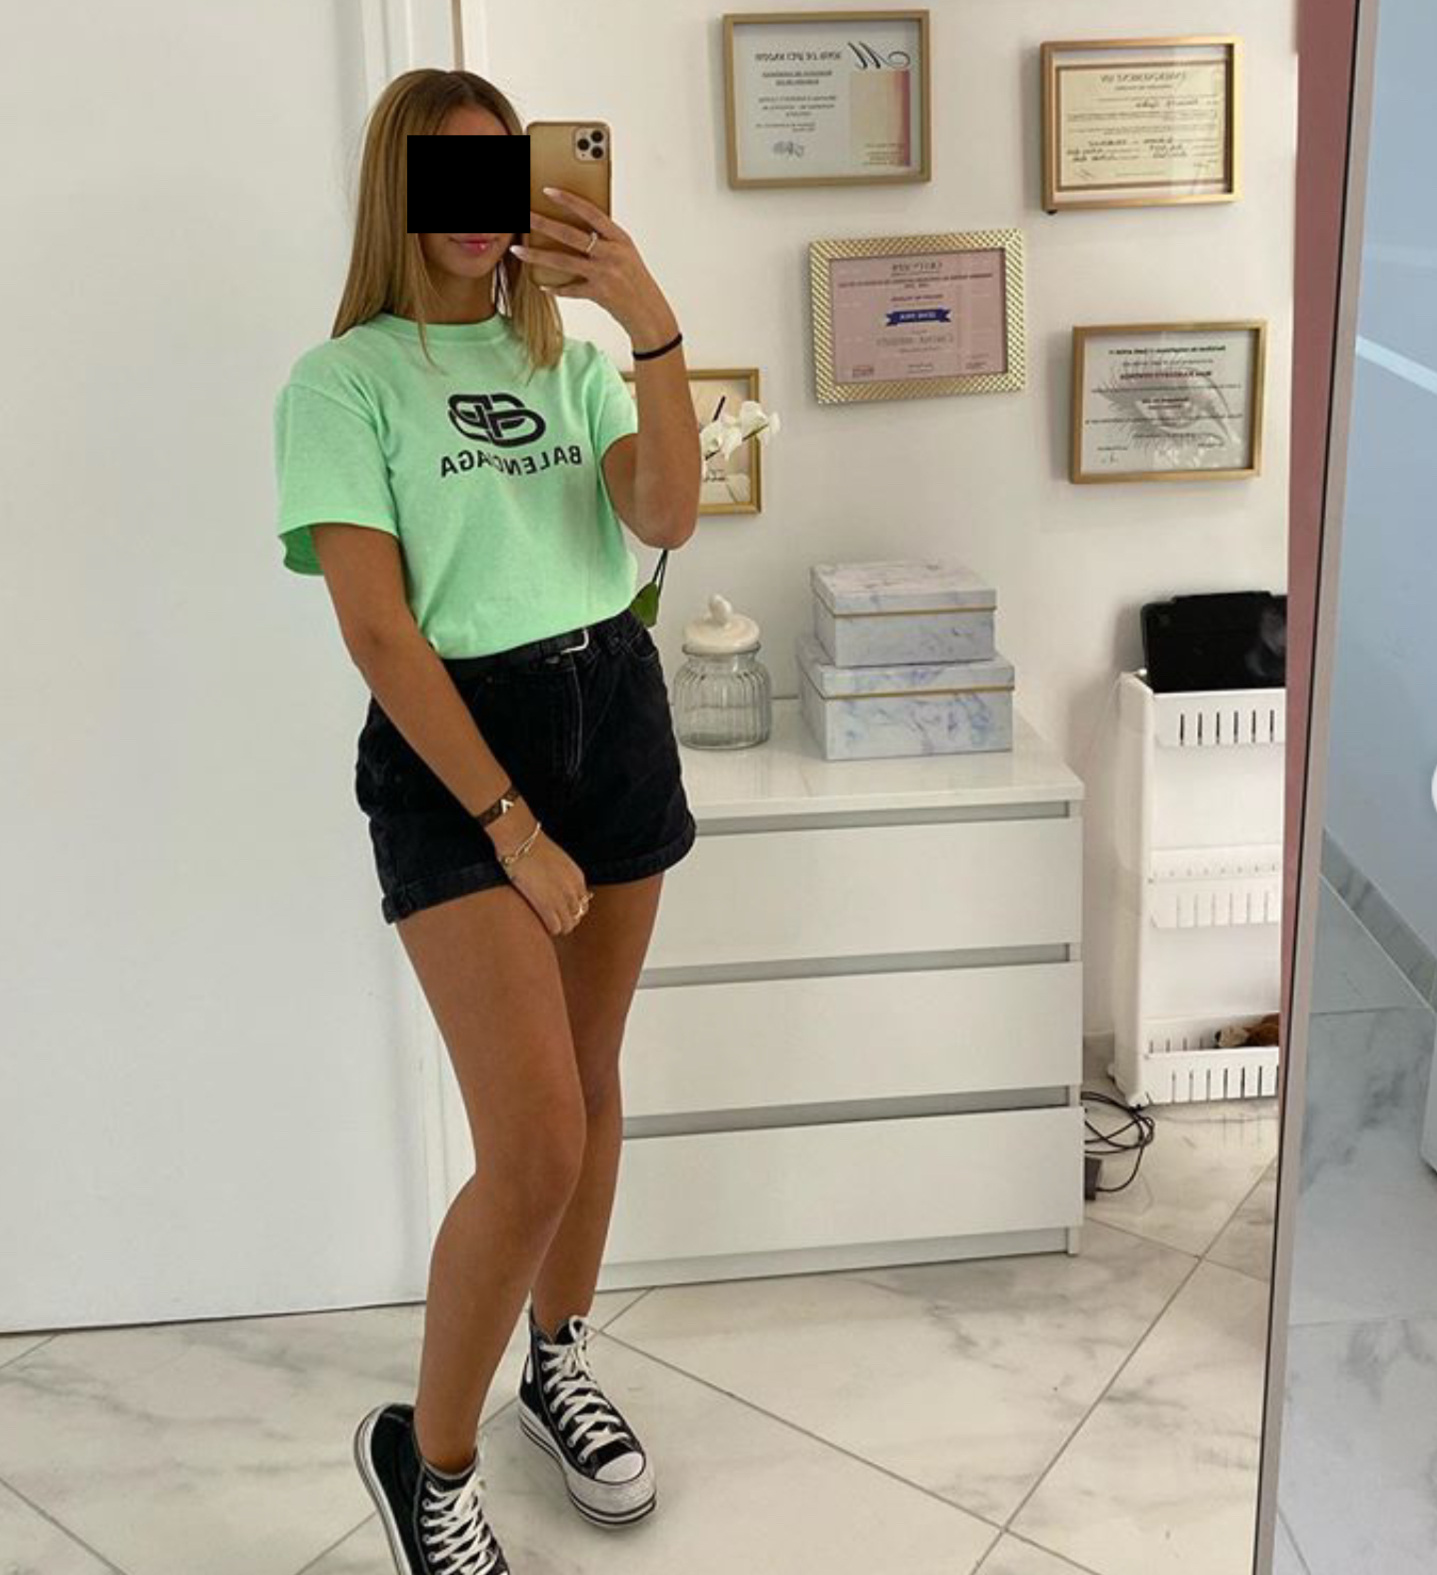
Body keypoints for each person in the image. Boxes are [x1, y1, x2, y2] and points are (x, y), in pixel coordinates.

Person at [271, 68, 700, 1575]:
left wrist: (645, 322)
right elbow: (379, 633)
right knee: (531, 1144)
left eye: (498, 178)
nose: (476, 215)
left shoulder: (568, 364)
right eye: (444, 181)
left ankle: (556, 1359)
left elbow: (665, 518)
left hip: (613, 713)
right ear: (396, 192)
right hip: (458, 755)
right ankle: (428, 1457)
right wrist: (510, 822)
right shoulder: (342, 383)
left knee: (590, 1088)